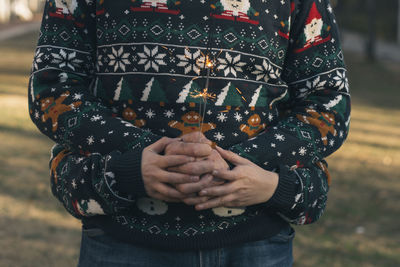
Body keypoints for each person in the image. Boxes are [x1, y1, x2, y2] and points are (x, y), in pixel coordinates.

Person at [29, 0, 350, 266]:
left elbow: (327, 100)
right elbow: (52, 88)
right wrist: (144, 156)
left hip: (256, 241)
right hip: (122, 237)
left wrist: (239, 163)